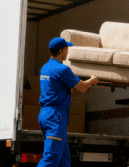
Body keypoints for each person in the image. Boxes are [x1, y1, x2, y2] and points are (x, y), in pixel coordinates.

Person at [37, 37, 100, 167]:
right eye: (67, 49)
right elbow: (82, 86)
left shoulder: (45, 68)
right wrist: (91, 81)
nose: (67, 52)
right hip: (56, 117)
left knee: (64, 160)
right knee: (51, 158)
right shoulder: (62, 69)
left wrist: (82, 86)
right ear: (62, 50)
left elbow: (67, 91)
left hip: (46, 114)